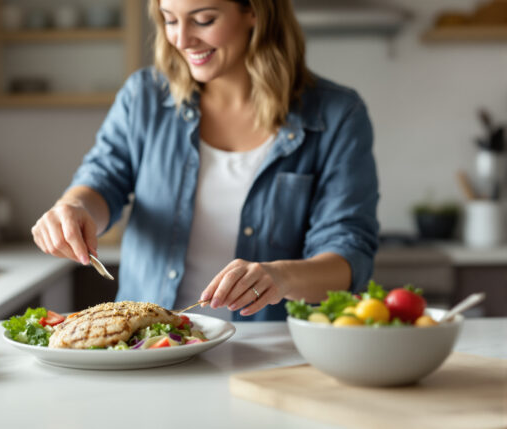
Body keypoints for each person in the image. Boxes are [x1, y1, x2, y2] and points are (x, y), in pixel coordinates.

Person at [31, 0, 379, 321]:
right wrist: (73, 208)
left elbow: (349, 255)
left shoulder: (337, 116)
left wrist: (280, 277)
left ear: (254, 11)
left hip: (268, 349)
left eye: (204, 20)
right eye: (169, 20)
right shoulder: (144, 97)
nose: (182, 39)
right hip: (149, 347)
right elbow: (102, 181)